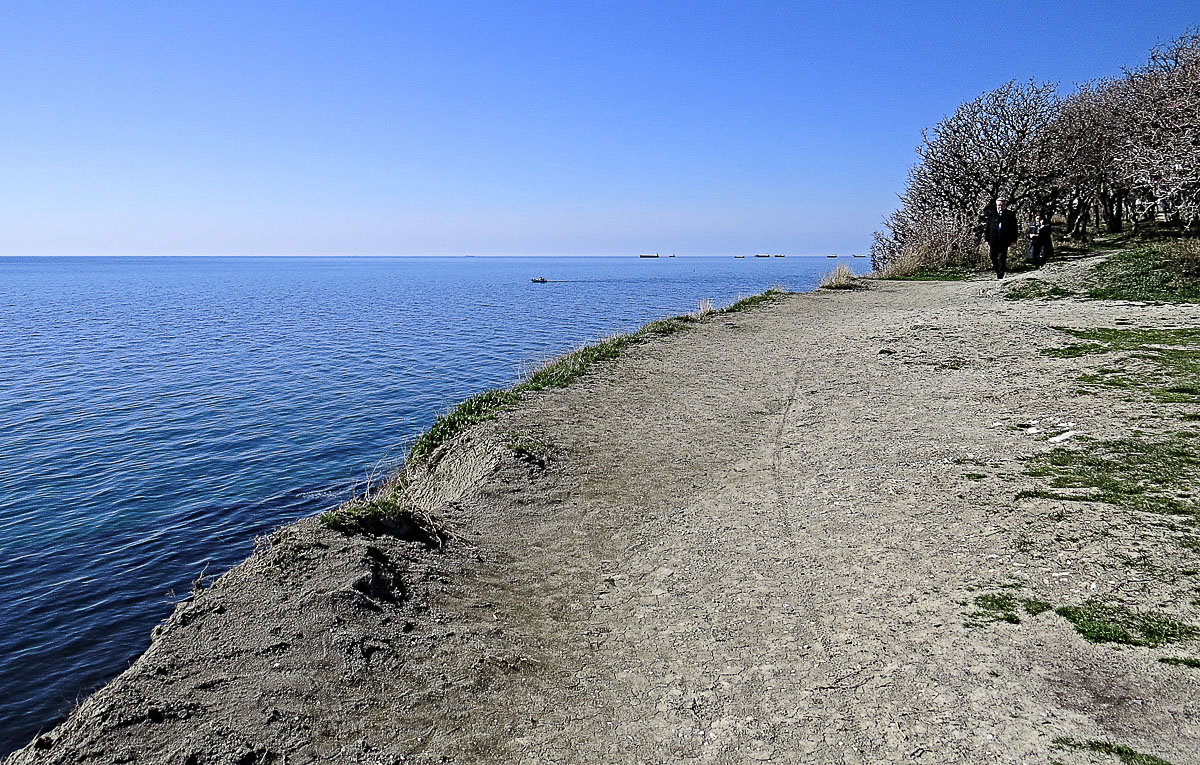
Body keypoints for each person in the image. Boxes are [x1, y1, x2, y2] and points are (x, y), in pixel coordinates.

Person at [983, 197, 1019, 278]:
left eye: (1002, 205)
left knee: (1002, 257)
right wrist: (986, 238)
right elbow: (987, 227)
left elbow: (1014, 228)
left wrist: (1014, 239)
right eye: (999, 205)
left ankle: (1001, 274)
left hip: (1005, 240)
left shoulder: (1010, 215)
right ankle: (997, 270)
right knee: (992, 256)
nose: (1000, 207)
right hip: (993, 239)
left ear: (1005, 206)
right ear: (996, 205)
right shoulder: (992, 214)